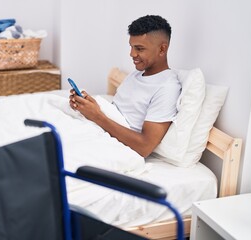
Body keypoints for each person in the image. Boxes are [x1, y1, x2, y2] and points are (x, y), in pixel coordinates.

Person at [69, 15, 181, 157]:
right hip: (99, 129)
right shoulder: (135, 75)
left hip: (114, 145)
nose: (132, 54)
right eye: (132, 47)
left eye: (139, 48)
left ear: (162, 49)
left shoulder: (167, 88)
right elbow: (117, 111)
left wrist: (96, 116)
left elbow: (145, 147)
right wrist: (87, 107)